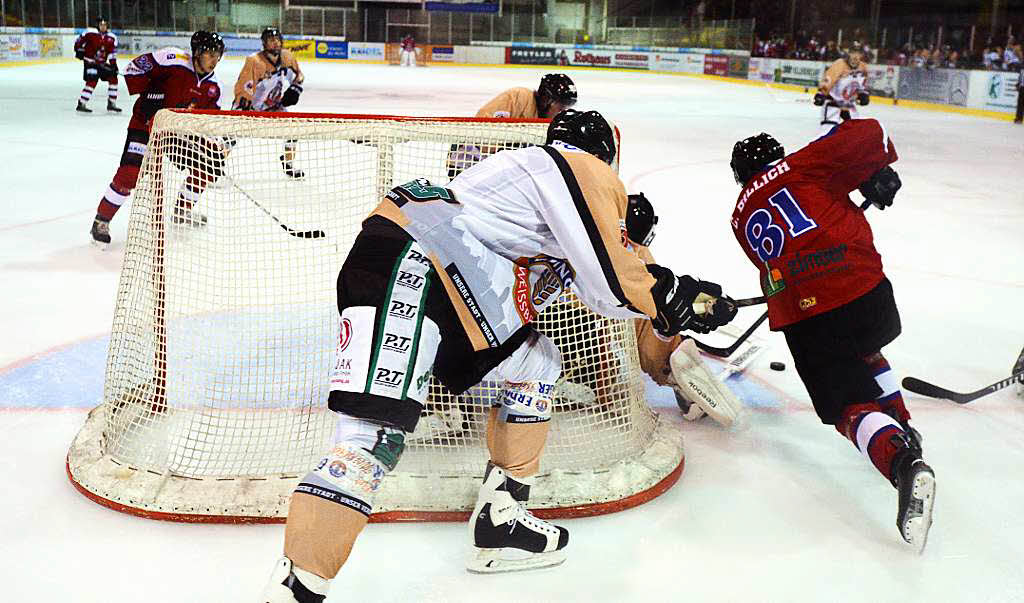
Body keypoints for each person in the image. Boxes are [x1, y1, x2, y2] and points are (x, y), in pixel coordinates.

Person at [259, 110, 737, 602]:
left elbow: (604, 292)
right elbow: (613, 275)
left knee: (536, 362)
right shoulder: (571, 167)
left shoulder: (529, 197)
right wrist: (672, 295)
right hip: (417, 266)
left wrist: (681, 301)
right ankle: (297, 587)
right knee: (370, 437)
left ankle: (501, 520)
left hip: (448, 280)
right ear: (604, 157)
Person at [727, 118, 936, 553]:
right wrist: (871, 174)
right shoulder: (800, 166)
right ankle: (903, 425)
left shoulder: (738, 216)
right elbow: (869, 132)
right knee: (863, 350)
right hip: (869, 296)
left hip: (810, 315)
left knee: (846, 404)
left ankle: (900, 459)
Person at [89, 31, 225, 248]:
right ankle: (101, 220)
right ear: (197, 52)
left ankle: (182, 212)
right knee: (130, 174)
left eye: (218, 55)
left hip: (173, 133)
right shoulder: (173, 59)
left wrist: (213, 146)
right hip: (145, 125)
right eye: (210, 53)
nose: (214, 60)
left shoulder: (213, 87)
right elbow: (134, 67)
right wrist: (151, 93)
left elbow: (207, 121)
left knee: (207, 167)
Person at [447, 74, 579, 179]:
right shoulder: (519, 97)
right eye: (561, 107)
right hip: (465, 161)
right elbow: (484, 133)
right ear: (546, 100)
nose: (563, 112)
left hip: (489, 170)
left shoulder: (545, 119)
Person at [233, 26, 306, 178]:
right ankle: (216, 160)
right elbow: (243, 86)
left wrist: (295, 89)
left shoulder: (287, 57)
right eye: (271, 40)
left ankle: (288, 164)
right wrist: (243, 108)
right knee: (230, 134)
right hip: (251, 107)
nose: (275, 43)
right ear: (264, 43)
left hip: (274, 107)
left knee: (293, 130)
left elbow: (299, 76)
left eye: (278, 40)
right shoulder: (254, 61)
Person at [814, 48, 870, 136]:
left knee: (855, 133)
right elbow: (828, 79)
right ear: (848, 54)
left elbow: (862, 84)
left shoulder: (863, 67)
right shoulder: (840, 64)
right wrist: (821, 94)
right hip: (833, 103)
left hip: (849, 105)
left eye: (858, 53)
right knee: (827, 133)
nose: (855, 56)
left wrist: (863, 94)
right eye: (853, 52)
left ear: (861, 55)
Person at [74, 17, 120, 113]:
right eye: (101, 25)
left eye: (105, 25)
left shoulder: (112, 37)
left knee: (113, 78)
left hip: (102, 64)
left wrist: (113, 66)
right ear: (97, 25)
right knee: (92, 81)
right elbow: (78, 42)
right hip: (90, 63)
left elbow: (112, 54)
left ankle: (111, 103)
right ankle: (81, 103)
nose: (103, 27)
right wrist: (79, 50)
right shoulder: (90, 33)